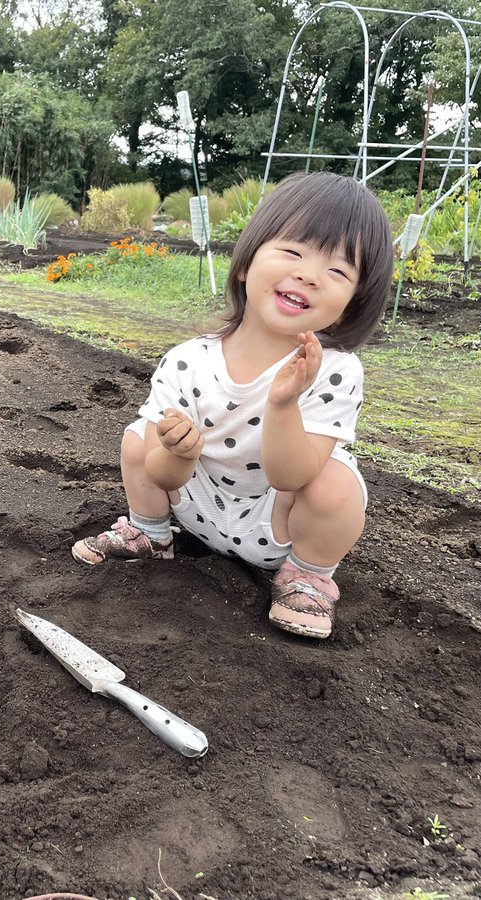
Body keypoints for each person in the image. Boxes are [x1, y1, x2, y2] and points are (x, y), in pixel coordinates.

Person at [72, 172, 394, 639]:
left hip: (275, 522)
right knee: (139, 438)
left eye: (338, 271)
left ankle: (307, 576)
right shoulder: (187, 361)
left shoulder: (333, 369)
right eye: (293, 251)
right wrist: (178, 452)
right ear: (246, 263)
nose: (308, 274)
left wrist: (283, 406)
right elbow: (161, 474)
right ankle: (150, 533)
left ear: (349, 305)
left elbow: (292, 477)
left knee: (337, 484)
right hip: (194, 506)